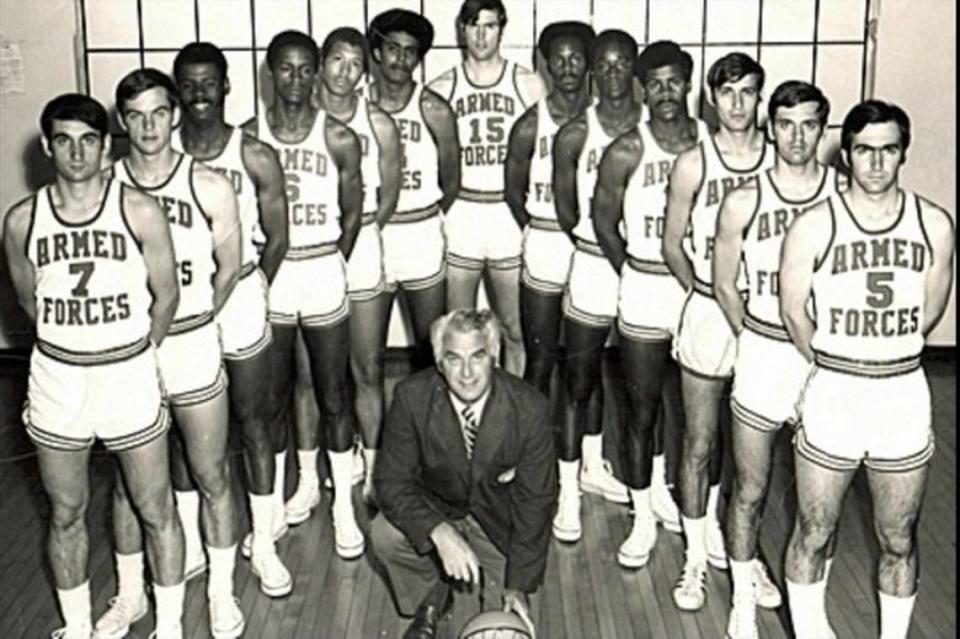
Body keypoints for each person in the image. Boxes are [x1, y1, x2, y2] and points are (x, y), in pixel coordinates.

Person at [3, 93, 183, 639]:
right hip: (59, 379)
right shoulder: (22, 220)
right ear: (48, 148)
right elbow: (30, 302)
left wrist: (132, 351)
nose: (76, 152)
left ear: (106, 147)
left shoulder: (139, 210)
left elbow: (167, 295)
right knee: (65, 512)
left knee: (155, 507)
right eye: (63, 140)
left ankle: (170, 627)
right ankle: (78, 626)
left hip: (125, 374)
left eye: (88, 140)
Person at [780, 100, 954, 639]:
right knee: (813, 530)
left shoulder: (935, 224)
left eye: (888, 151)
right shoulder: (814, 225)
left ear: (903, 153)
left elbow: (929, 312)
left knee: (899, 536)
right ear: (846, 154)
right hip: (836, 390)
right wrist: (838, 363)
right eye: (863, 151)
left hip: (901, 393)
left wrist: (885, 353)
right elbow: (793, 311)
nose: (876, 164)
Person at [100, 68, 245, 637]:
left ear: (176, 114)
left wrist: (201, 318)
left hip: (188, 342)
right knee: (127, 483)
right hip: (130, 353)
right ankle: (132, 594)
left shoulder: (207, 184)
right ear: (121, 121)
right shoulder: (104, 186)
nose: (148, 126)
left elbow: (229, 265)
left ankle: (221, 592)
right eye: (135, 115)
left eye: (159, 112)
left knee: (211, 475)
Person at [713, 80, 841, 638]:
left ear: (823, 129)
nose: (796, 136)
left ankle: (811, 614)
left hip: (827, 362)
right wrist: (761, 339)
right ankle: (744, 598)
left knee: (822, 503)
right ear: (770, 128)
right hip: (765, 352)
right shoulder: (745, 198)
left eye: (808, 124)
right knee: (750, 487)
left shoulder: (845, 195)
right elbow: (722, 284)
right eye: (785, 124)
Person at [170, 41, 290, 597]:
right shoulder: (158, 152)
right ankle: (194, 544)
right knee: (179, 426)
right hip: (182, 308)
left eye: (208, 83)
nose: (199, 94)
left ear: (226, 87)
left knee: (255, 420)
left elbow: (278, 234)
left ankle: (262, 543)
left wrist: (252, 282)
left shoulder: (254, 153)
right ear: (177, 91)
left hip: (238, 296)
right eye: (188, 84)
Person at [243, 30, 364, 561]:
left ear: (316, 74)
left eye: (303, 69)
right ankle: (276, 505)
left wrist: (333, 257)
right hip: (270, 275)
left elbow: (355, 212)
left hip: (319, 269)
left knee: (333, 392)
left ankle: (342, 507)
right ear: (269, 72)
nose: (295, 79)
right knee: (270, 399)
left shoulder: (337, 137)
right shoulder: (247, 137)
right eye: (284, 69)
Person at [661, 52, 773, 610]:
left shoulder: (780, 160)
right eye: (726, 93)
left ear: (760, 98)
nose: (736, 104)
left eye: (748, 92)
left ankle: (745, 563)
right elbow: (671, 242)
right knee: (700, 442)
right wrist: (702, 290)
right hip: (710, 311)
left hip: (767, 322)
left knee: (752, 452)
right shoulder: (692, 161)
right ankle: (694, 561)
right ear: (710, 98)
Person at [370, 309, 557, 639]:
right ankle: (431, 600)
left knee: (503, 627)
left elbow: (537, 503)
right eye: (454, 359)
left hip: (500, 526)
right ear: (440, 362)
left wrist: (518, 586)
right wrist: (438, 532)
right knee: (386, 534)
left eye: (478, 356)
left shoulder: (530, 408)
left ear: (494, 356)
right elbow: (389, 483)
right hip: (438, 509)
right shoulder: (412, 397)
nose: (467, 373)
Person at [592, 40, 706, 568]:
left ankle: (696, 518)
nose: (664, 93)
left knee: (702, 415)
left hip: (700, 291)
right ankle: (643, 514)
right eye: (654, 83)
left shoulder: (711, 143)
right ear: (642, 88)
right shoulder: (627, 149)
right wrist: (633, 269)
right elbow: (602, 222)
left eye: (674, 81)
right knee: (641, 409)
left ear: (690, 83)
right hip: (644, 283)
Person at [292, 27, 402, 504]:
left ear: (365, 70)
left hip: (360, 252)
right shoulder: (297, 123)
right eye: (337, 60)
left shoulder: (377, 123)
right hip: (311, 257)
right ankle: (307, 481)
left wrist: (357, 238)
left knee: (367, 367)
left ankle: (374, 468)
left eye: (356, 63)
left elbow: (390, 193)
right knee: (308, 375)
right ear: (321, 64)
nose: (345, 71)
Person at [551, 29, 642, 543]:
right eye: (602, 65)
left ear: (633, 68)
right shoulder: (574, 134)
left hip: (645, 270)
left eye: (621, 64)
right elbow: (568, 211)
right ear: (591, 70)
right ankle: (569, 490)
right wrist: (599, 246)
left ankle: (607, 470)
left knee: (642, 387)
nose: (611, 74)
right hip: (592, 262)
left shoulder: (654, 128)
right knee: (579, 380)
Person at [429, 0, 545, 375]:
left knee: (514, 328)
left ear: (502, 29)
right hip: (462, 212)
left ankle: (510, 418)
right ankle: (459, 418)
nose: (481, 35)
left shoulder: (527, 83)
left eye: (490, 26)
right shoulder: (442, 87)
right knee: (457, 330)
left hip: (506, 214)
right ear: (461, 29)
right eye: (473, 25)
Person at [504, 20, 594, 397]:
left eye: (576, 58)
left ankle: (586, 454)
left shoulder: (604, 122)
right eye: (560, 59)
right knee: (539, 359)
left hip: (591, 246)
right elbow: (513, 192)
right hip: (545, 239)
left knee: (582, 361)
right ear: (547, 66)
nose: (568, 67)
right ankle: (532, 451)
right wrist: (542, 225)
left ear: (589, 63)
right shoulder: (529, 125)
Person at [366, 9, 460, 369]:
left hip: (420, 235)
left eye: (410, 51)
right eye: (393, 48)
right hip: (375, 234)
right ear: (377, 53)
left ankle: (429, 425)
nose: (400, 59)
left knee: (431, 347)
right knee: (368, 354)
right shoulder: (359, 106)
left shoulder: (434, 109)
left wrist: (425, 213)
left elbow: (451, 181)